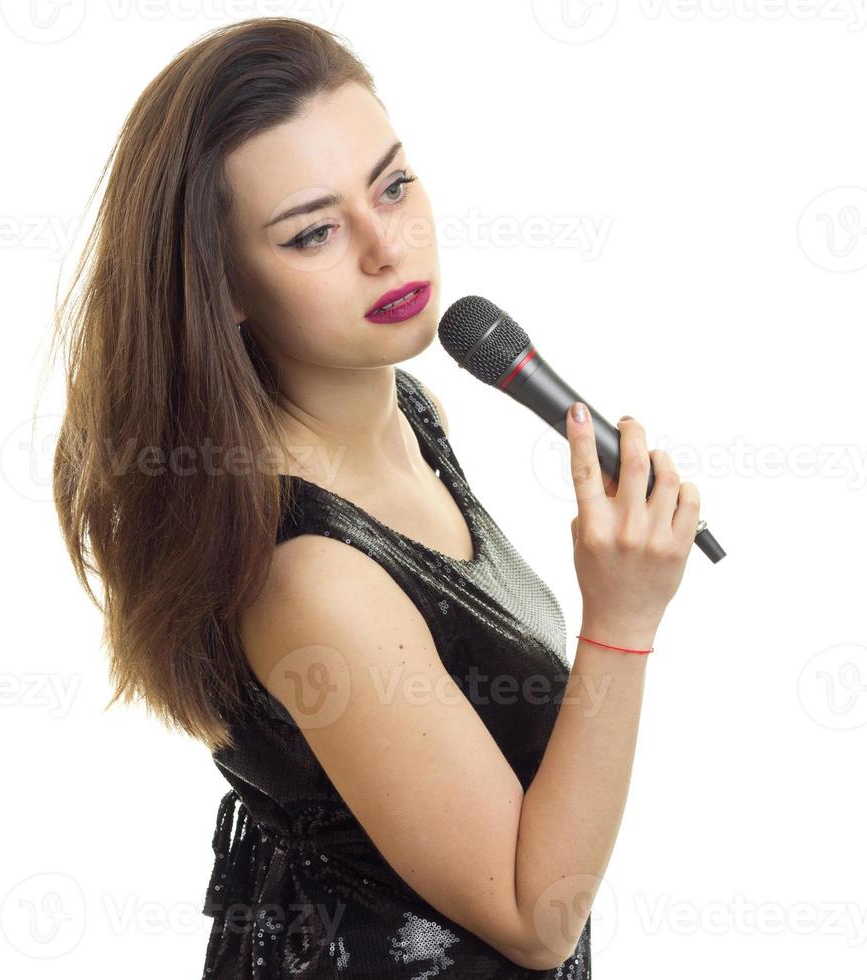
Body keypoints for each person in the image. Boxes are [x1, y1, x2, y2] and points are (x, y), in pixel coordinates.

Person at [50, 17, 699, 978]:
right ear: (223, 285)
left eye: (392, 185)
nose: (385, 247)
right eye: (313, 232)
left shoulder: (408, 413)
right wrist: (622, 618)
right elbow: (534, 916)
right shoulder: (309, 574)